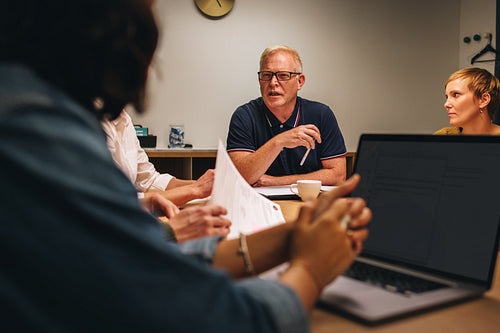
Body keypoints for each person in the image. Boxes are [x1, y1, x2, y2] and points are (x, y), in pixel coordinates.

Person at [0, 1, 371, 332]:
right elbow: (215, 314)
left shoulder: (46, 106)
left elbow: (131, 237)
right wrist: (310, 268)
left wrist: (287, 239)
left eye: (283, 76)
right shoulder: (35, 127)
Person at [227, 45, 347, 187]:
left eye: (283, 76)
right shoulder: (244, 116)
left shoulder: (321, 114)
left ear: (300, 82)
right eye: (266, 75)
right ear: (260, 80)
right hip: (259, 204)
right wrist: (279, 142)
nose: (273, 83)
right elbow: (239, 177)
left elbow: (338, 175)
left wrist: (277, 182)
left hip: (308, 202)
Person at [102, 110, 215, 206]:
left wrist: (200, 185)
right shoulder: (97, 123)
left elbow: (149, 179)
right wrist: (195, 190)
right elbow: (116, 201)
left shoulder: (124, 118)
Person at [434, 67, 500, 135]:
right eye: (447, 97)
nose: (446, 104)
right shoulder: (442, 136)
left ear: (483, 100)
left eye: (456, 95)